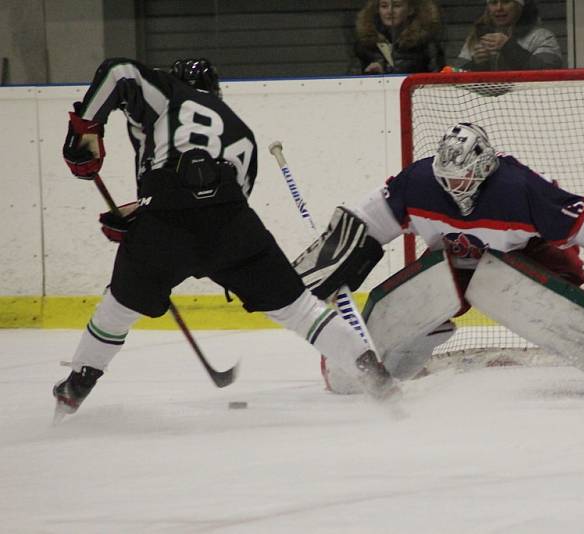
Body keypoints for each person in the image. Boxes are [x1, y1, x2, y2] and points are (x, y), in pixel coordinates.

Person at [54, 58, 398, 417]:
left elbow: (118, 71)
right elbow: (225, 200)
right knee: (300, 309)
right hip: (231, 223)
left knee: (118, 309)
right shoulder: (241, 131)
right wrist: (149, 214)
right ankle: (378, 379)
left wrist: (85, 128)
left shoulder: (169, 94)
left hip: (166, 219)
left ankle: (75, 388)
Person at [296, 122, 584, 395]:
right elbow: (366, 223)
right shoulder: (418, 182)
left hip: (530, 261)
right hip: (453, 266)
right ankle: (386, 353)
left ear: (485, 166)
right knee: (357, 364)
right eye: (447, 179)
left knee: (524, 292)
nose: (454, 188)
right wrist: (331, 264)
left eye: (463, 178)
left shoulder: (518, 187)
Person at [456, 0, 562, 71]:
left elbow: (550, 72)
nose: (499, 8)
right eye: (493, 2)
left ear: (519, 6)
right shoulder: (476, 37)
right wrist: (477, 64)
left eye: (506, 1)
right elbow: (455, 75)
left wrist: (508, 47)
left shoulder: (541, 37)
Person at [353, 0, 445, 74]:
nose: (390, 11)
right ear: (377, 10)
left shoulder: (426, 43)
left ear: (410, 10)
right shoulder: (365, 44)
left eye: (397, 5)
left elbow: (438, 80)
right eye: (384, 6)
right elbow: (351, 80)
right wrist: (371, 76)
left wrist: (386, 72)